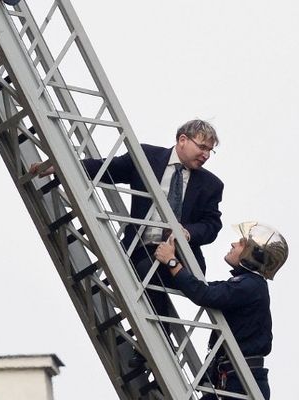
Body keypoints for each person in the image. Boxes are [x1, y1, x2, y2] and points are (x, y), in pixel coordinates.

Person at [30, 120, 224, 365]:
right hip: (139, 247)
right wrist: (57, 168)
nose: (206, 155)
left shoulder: (211, 185)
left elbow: (212, 225)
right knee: (132, 274)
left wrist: (188, 233)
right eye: (202, 147)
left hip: (179, 256)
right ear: (182, 140)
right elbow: (106, 169)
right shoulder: (147, 156)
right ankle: (148, 345)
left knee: (146, 271)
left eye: (210, 151)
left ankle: (156, 345)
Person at [155, 222, 288, 399]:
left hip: (240, 384)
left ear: (253, 254)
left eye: (241, 243)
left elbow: (204, 294)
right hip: (232, 378)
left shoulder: (250, 286)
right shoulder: (248, 285)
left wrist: (172, 261)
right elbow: (202, 288)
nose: (233, 244)